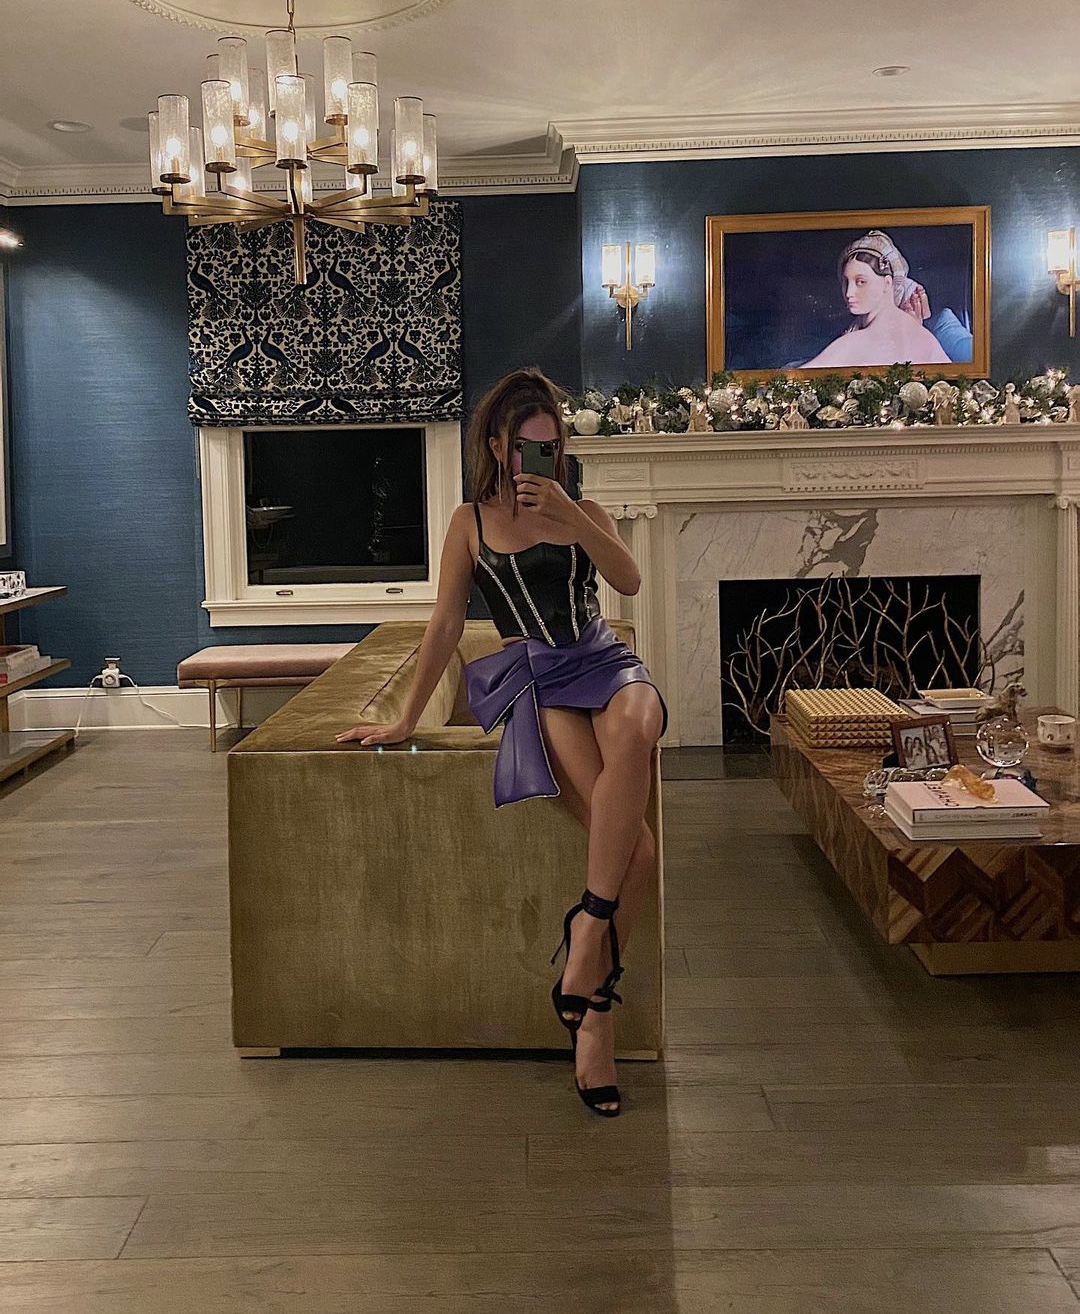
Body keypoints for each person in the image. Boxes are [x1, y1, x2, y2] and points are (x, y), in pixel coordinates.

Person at [335, 368, 668, 1117]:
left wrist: (574, 516)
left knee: (640, 720)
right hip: (538, 676)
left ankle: (587, 937)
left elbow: (630, 581)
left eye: (550, 446)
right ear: (496, 446)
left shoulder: (585, 510)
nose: (536, 461)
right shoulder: (469, 523)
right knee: (640, 854)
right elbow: (445, 625)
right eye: (524, 447)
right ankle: (596, 1014)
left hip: (603, 659)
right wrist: (405, 719)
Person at [802, 230, 951, 369]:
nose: (849, 293)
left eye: (861, 282)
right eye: (846, 282)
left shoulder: (854, 345)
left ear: (887, 283)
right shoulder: (925, 337)